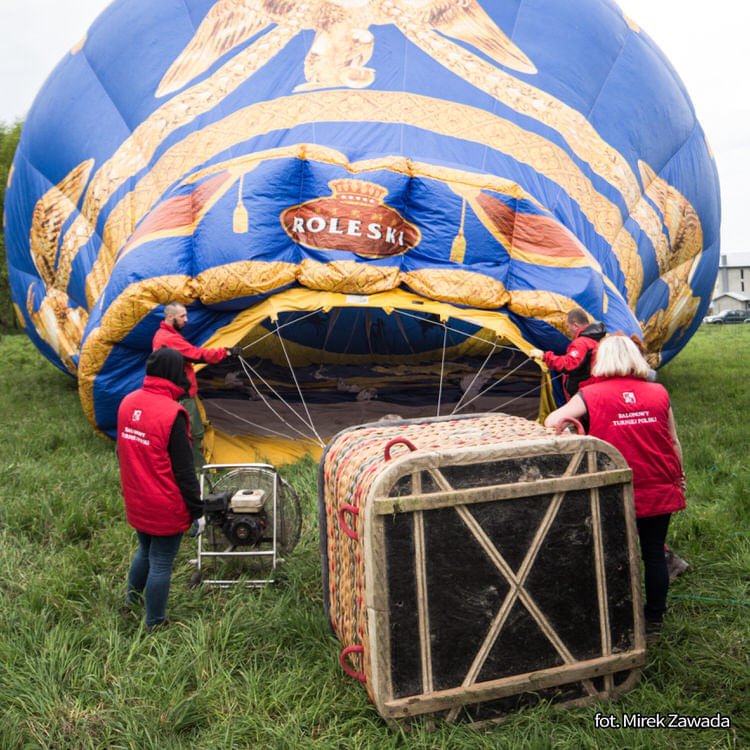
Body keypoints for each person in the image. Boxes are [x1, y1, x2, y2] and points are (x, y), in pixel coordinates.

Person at [544, 335, 686, 641]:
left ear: (601, 360)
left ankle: (617, 616)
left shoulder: (590, 395)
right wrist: (679, 474)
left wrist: (573, 431)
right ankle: (654, 620)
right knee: (653, 553)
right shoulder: (658, 392)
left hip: (615, 487)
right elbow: (673, 440)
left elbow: (552, 420)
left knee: (614, 553)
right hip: (658, 481)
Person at [117, 347, 204, 628]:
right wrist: (197, 510)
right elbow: (184, 470)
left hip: (136, 497)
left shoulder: (127, 402)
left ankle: (131, 601)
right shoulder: (173, 413)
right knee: (162, 561)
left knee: (144, 551)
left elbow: (123, 453)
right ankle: (155, 621)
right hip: (164, 504)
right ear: (175, 374)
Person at [153, 301, 241, 468]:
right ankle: (198, 469)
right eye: (182, 316)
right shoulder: (169, 338)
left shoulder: (161, 335)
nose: (187, 320)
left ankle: (178, 464)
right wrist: (226, 352)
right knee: (194, 432)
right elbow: (197, 355)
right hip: (181, 395)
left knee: (178, 431)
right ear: (170, 317)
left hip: (173, 392)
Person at [530, 308, 606, 399]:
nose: (568, 330)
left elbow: (569, 364)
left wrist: (544, 356)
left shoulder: (582, 343)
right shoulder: (597, 340)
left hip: (584, 394)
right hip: (594, 390)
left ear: (575, 325)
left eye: (567, 326)